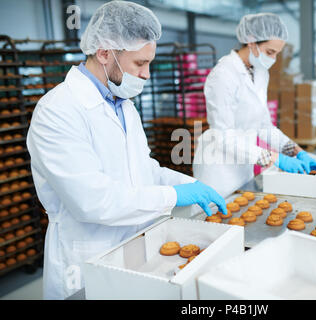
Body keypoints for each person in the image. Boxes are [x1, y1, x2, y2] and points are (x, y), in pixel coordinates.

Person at [26, 1, 226, 300]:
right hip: (86, 258)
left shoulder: (124, 106)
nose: (146, 74)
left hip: (135, 248)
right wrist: (173, 196)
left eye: (149, 63)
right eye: (139, 64)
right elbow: (91, 200)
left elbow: (142, 168)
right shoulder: (58, 111)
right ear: (105, 52)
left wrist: (187, 184)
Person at [193, 13, 316, 198]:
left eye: (277, 54)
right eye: (270, 52)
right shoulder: (223, 75)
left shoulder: (260, 73)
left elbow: (263, 126)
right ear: (251, 42)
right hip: (218, 169)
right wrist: (274, 158)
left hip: (244, 164)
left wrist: (296, 151)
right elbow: (224, 136)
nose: (274, 59)